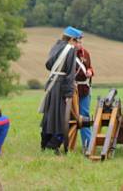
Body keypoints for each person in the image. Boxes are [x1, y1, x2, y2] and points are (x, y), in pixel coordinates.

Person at [39, 25, 80, 153]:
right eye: (77, 40)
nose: (77, 43)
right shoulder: (70, 50)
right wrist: (69, 93)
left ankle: (44, 142)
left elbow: (49, 65)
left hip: (51, 83)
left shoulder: (56, 46)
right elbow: (70, 73)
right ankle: (54, 144)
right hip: (61, 85)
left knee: (49, 115)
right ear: (72, 39)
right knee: (60, 117)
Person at [74, 32, 94, 150]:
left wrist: (90, 72)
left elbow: (90, 66)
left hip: (84, 88)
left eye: (81, 42)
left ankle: (88, 144)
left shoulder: (86, 53)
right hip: (73, 89)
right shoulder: (69, 55)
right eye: (77, 42)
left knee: (84, 116)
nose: (79, 44)